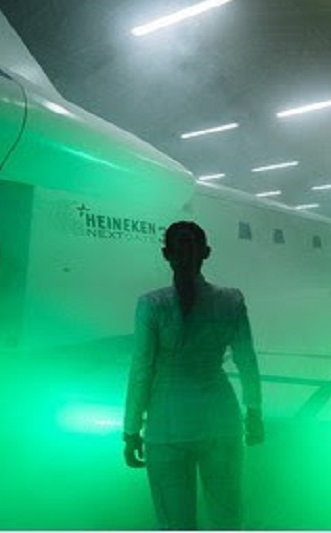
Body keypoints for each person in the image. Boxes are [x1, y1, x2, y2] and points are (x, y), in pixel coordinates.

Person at [123, 220, 264, 530]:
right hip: (221, 419)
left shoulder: (151, 305)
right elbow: (247, 361)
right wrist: (254, 412)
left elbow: (142, 370)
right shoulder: (231, 300)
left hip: (166, 424)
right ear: (207, 253)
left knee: (176, 523)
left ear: (165, 254)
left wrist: (131, 429)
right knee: (227, 518)